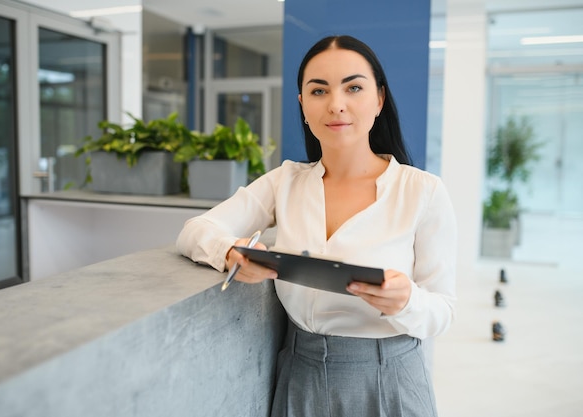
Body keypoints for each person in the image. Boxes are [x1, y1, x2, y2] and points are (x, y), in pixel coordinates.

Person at [177, 35, 457, 417]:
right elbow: (195, 230)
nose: (336, 105)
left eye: (354, 87)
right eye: (319, 90)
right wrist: (230, 253)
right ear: (303, 105)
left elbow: (443, 310)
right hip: (301, 375)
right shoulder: (285, 182)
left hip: (390, 380)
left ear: (378, 100)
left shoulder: (422, 191)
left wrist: (407, 300)